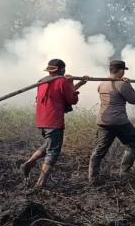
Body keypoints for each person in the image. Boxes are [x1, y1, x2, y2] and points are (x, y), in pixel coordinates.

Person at [20, 59, 88, 187]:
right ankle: (40, 183)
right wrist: (71, 83)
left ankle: (29, 162)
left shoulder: (42, 81)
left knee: (48, 145)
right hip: (54, 120)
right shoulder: (62, 81)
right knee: (53, 151)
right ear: (61, 70)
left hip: (42, 120)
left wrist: (79, 84)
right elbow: (72, 99)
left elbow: (61, 93)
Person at [88, 60, 135, 185]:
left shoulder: (101, 83)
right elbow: (134, 100)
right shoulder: (122, 84)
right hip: (119, 121)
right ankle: (124, 173)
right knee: (133, 142)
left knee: (99, 149)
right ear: (121, 70)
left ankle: (93, 178)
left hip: (103, 120)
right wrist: (129, 84)